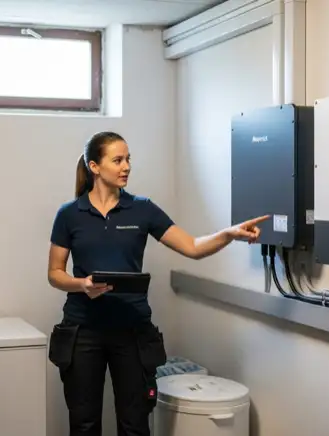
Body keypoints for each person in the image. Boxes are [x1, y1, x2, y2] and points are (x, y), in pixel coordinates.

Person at [46, 131, 268, 436]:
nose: (126, 167)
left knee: (135, 425)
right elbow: (55, 273)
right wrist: (81, 284)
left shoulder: (142, 209)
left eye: (128, 160)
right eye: (118, 160)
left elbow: (192, 246)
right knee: (84, 425)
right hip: (83, 331)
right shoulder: (70, 214)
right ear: (95, 166)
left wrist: (228, 234)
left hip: (133, 331)